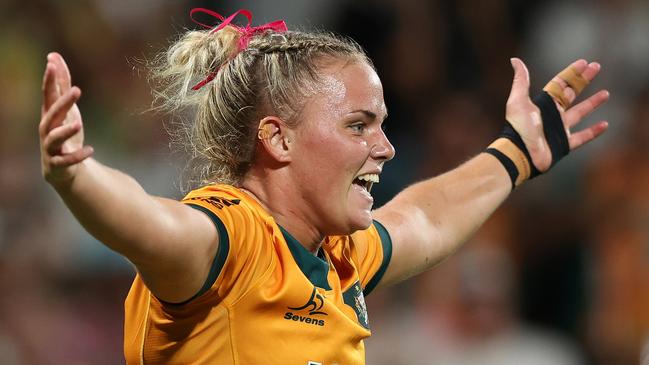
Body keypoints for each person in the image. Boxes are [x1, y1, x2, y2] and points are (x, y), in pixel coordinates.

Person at [38, 7, 609, 365]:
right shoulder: (232, 243)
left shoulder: (339, 256)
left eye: (382, 125)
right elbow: (146, 222)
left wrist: (513, 155)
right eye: (357, 126)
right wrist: (76, 175)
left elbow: (425, 218)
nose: (385, 148)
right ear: (278, 140)